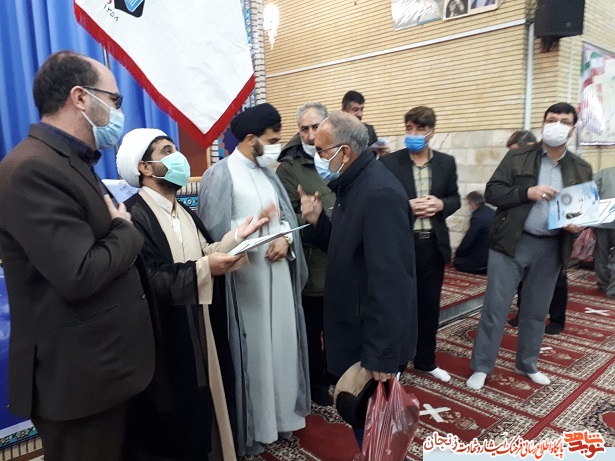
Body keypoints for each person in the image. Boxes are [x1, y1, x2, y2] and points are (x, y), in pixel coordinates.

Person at [0, 51, 155, 461]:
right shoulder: (31, 168)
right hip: (77, 381)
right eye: (115, 100)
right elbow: (79, 273)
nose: (119, 112)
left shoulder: (69, 160)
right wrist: (126, 231)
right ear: (81, 97)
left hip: (104, 370)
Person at [116, 129, 268, 460]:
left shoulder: (182, 210)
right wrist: (204, 268)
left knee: (202, 409)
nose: (178, 157)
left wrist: (236, 238)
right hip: (165, 340)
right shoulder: (132, 216)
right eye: (166, 151)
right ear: (144, 167)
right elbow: (148, 279)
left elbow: (203, 252)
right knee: (170, 424)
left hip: (199, 328)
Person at [299, 111, 418, 448]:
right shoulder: (353, 185)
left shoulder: (378, 193)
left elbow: (391, 280)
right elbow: (348, 249)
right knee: (365, 422)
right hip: (356, 327)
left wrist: (382, 354)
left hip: (370, 337)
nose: (318, 158)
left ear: (345, 152)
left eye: (321, 151)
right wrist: (318, 223)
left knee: (374, 426)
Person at [198, 103, 310, 457]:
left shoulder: (267, 173)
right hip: (247, 281)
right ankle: (258, 426)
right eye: (272, 140)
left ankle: (282, 419)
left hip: (277, 274)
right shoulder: (221, 174)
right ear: (251, 139)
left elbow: (285, 219)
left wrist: (285, 238)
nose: (276, 146)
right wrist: (253, 230)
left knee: (282, 348)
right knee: (256, 355)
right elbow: (212, 232)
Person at [466, 103, 593, 390]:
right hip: (512, 241)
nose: (557, 125)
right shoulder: (517, 156)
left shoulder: (581, 167)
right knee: (496, 307)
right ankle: (482, 366)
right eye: (551, 120)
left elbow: (583, 210)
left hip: (551, 247)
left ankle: (527, 363)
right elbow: (493, 192)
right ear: (543, 123)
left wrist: (577, 225)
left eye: (564, 121)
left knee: (536, 310)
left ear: (573, 129)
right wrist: (527, 192)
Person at [380, 106, 460, 383]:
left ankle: (426, 360)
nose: (413, 134)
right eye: (409, 128)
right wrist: (406, 207)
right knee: (400, 308)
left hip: (432, 246)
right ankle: (397, 362)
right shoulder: (389, 163)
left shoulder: (446, 163)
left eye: (420, 129)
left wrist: (441, 204)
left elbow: (455, 198)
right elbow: (380, 202)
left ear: (431, 132)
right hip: (402, 246)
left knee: (429, 307)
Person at [276, 102, 336, 406]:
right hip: (314, 264)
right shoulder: (289, 168)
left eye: (316, 127)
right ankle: (315, 381)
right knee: (313, 329)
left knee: (337, 324)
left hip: (342, 258)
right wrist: (317, 217)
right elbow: (287, 215)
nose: (311, 135)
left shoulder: (339, 155)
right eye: (304, 129)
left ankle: (334, 370)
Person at [505, 129, 567, 334]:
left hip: (554, 235)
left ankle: (557, 319)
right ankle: (522, 311)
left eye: (516, 151)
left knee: (557, 281)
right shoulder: (515, 167)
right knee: (522, 278)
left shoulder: (554, 165)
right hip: (523, 233)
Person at [453, 191, 495, 274]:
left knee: (457, 262)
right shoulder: (492, 212)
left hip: (482, 260)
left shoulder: (478, 217)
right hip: (493, 257)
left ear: (472, 203)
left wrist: (458, 253)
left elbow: (469, 239)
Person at [593, 166, 615, 294]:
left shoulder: (603, 173)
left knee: (601, 253)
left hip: (602, 219)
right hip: (606, 221)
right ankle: (612, 289)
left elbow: (590, 192)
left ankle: (603, 283)